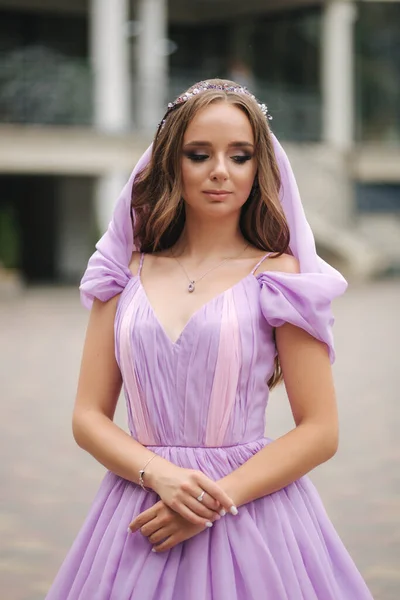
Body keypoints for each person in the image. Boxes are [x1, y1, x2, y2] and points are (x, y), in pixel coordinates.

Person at [46, 79, 373, 599]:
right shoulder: (120, 274)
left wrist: (214, 500)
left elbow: (320, 430)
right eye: (200, 154)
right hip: (142, 505)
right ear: (171, 161)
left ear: (258, 166)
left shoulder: (282, 279)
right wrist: (161, 477)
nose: (221, 170)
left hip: (250, 512)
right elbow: (88, 416)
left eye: (239, 156)